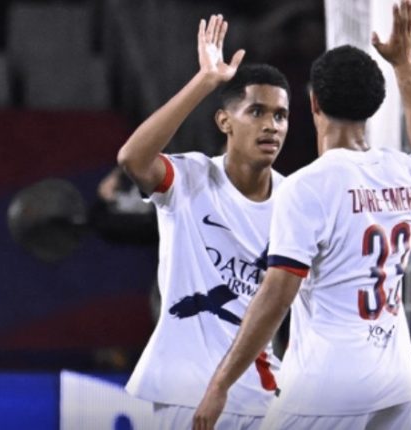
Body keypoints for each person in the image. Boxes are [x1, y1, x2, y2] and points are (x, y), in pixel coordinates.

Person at [193, 1, 411, 429]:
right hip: (397, 382)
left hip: (329, 386)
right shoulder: (403, 172)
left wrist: (220, 383)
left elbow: (277, 295)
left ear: (313, 102)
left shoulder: (307, 187)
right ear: (374, 106)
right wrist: (405, 65)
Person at [116, 14, 291, 429]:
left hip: (264, 395)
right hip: (185, 394)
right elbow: (132, 159)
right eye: (257, 111)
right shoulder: (191, 178)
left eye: (281, 116)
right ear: (224, 121)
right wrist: (206, 81)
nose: (271, 125)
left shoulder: (295, 201)